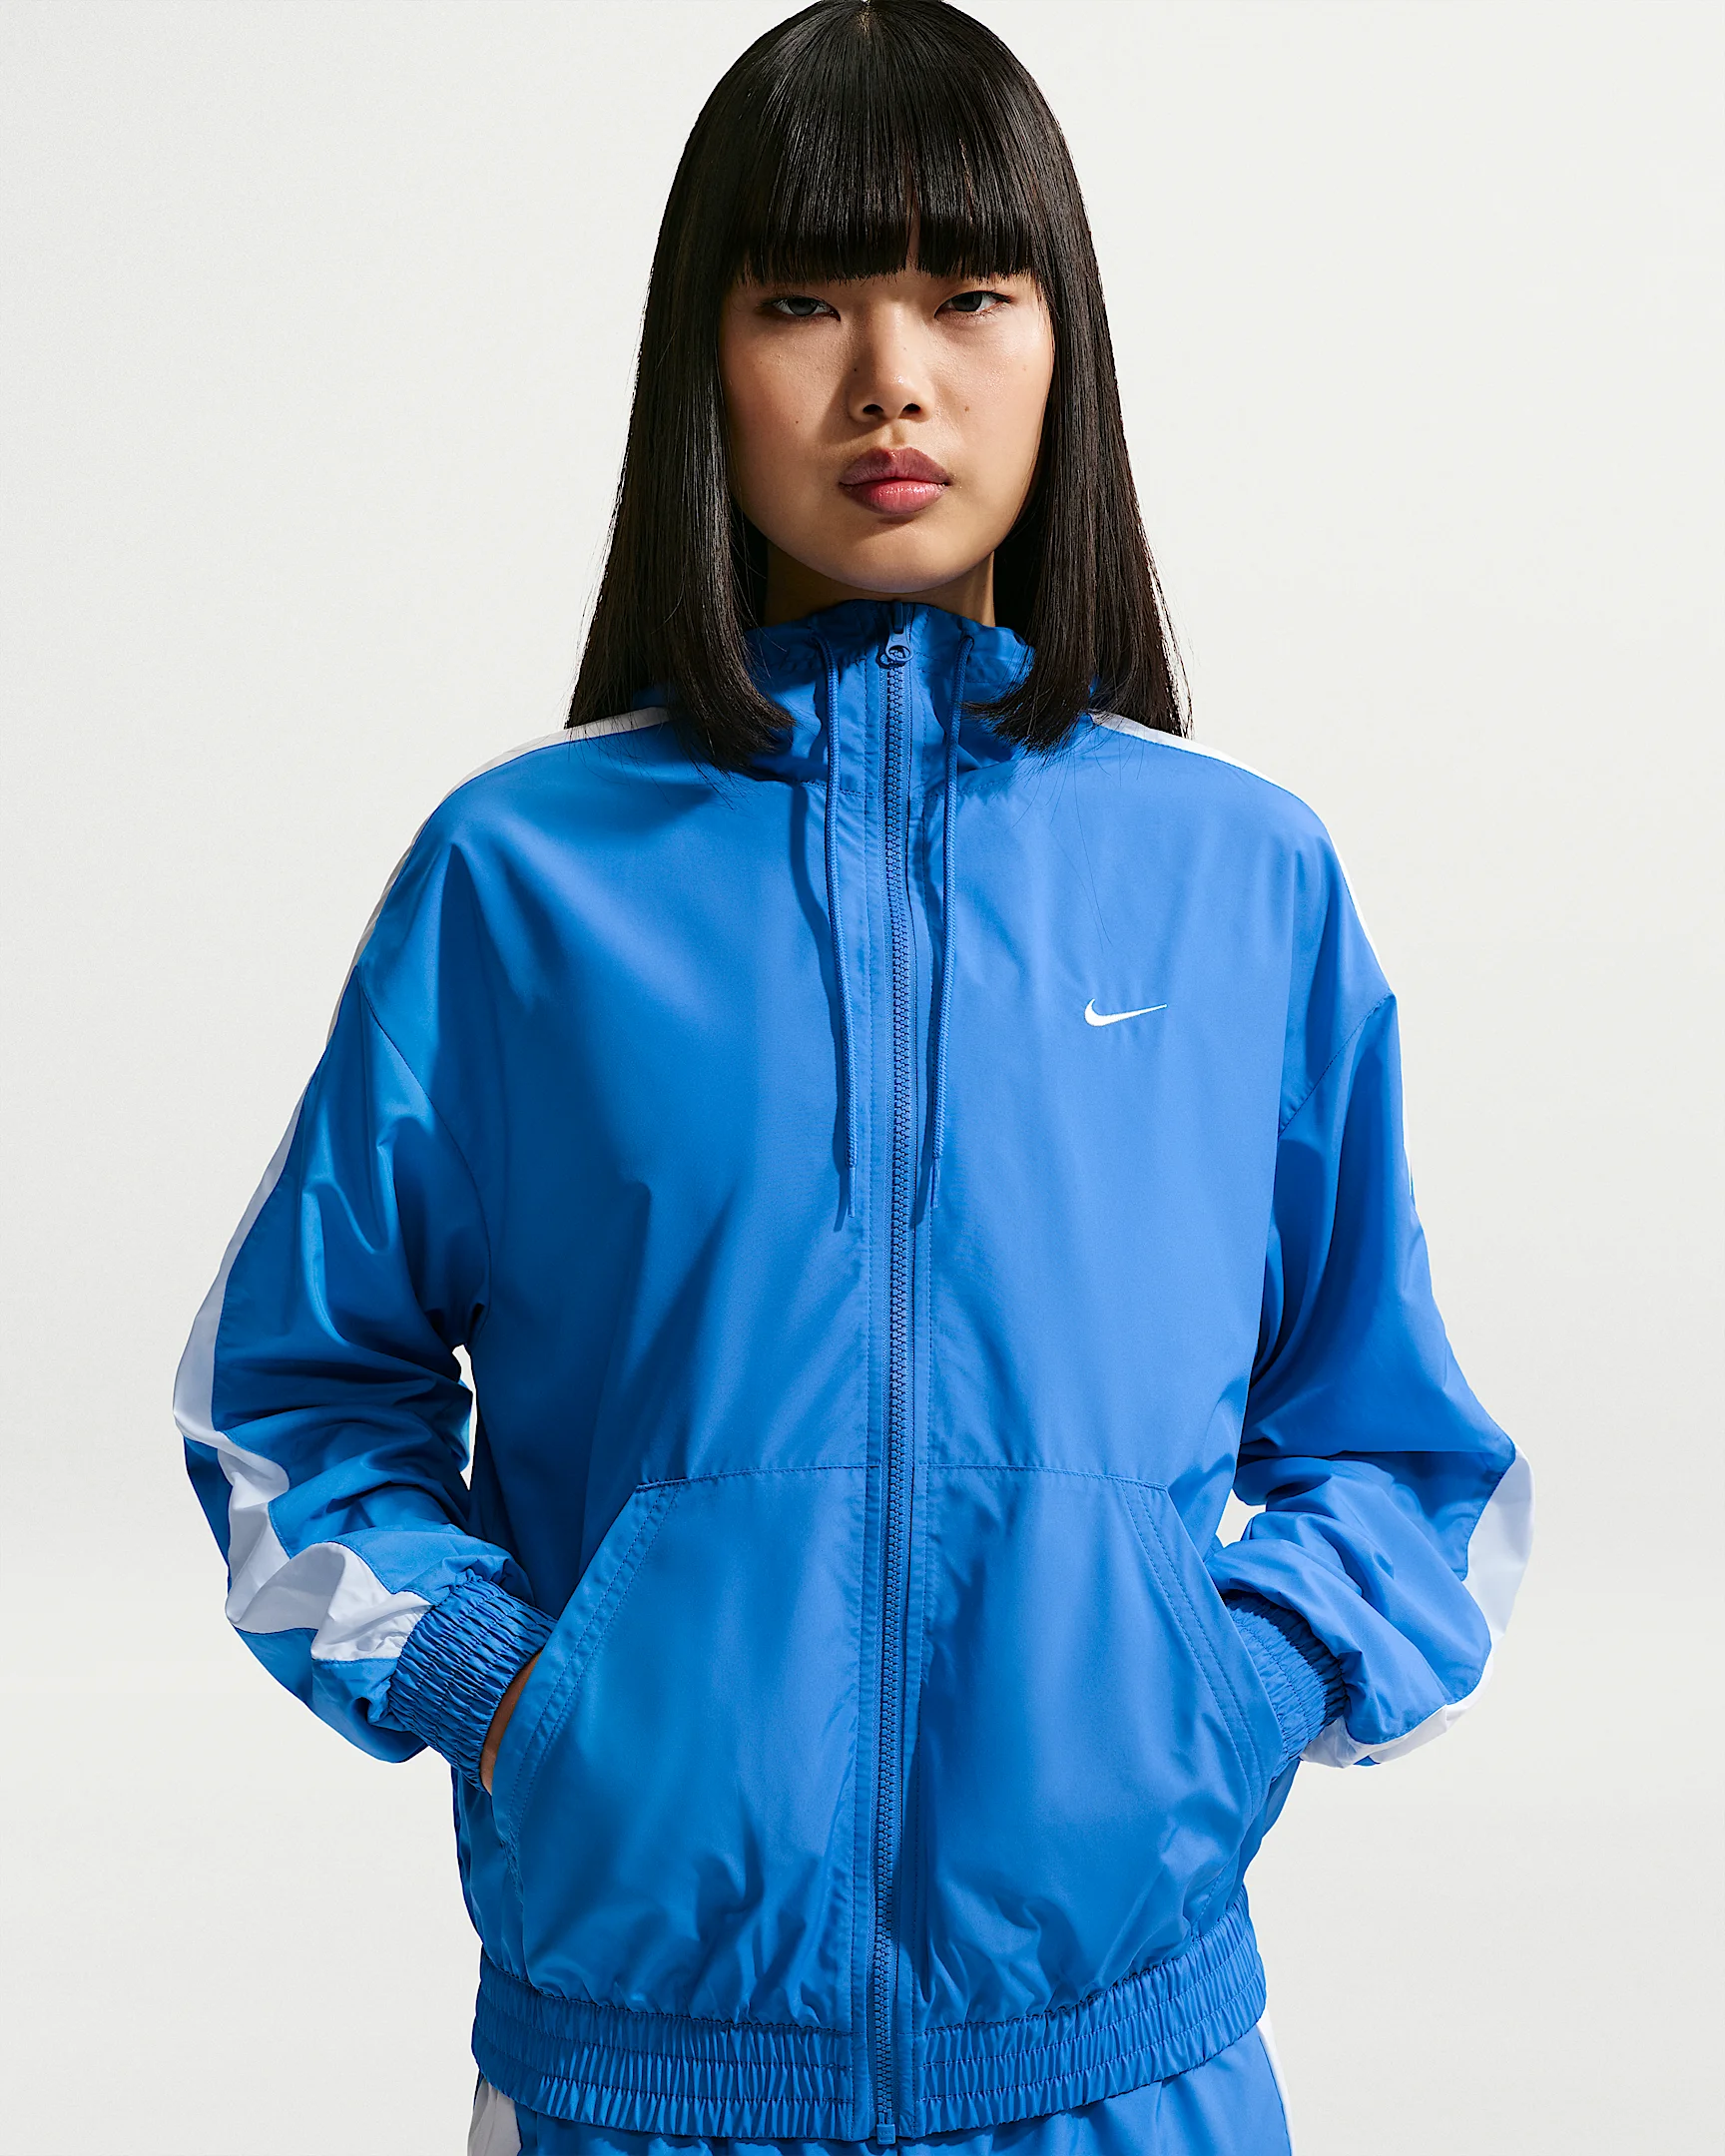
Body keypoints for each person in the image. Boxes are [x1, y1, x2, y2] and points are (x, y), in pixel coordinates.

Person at [176, 4, 1532, 2151]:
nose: (893, 377)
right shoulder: (521, 882)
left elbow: (1397, 1445)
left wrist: (1234, 1695)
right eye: (803, 300)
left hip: (1125, 2064)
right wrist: (506, 1694)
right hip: (640, 2075)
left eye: (968, 293)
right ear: (700, 362)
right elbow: (288, 1398)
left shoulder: (1237, 880)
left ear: (1062, 345)